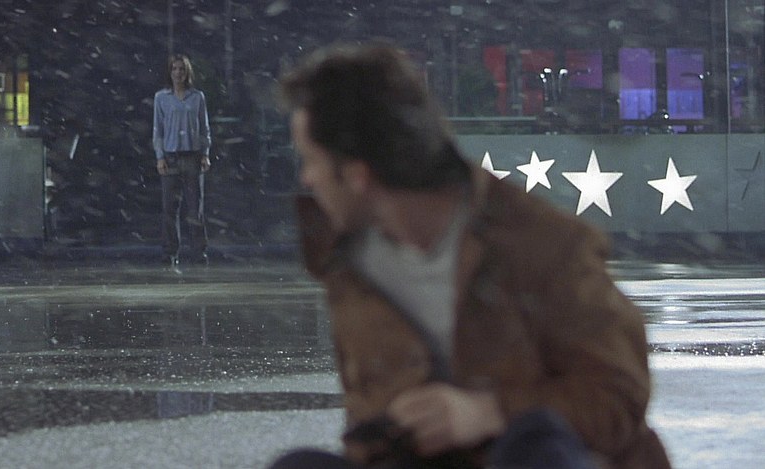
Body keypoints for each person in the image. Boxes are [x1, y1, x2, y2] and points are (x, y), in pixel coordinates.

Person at [271, 43, 671, 469]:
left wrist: (488, 413)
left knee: (538, 444)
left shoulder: (540, 241)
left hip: (538, 458)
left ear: (357, 175)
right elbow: (367, 416)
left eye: (311, 160)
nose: (307, 178)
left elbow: (618, 395)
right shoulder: (349, 261)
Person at [153, 53, 212, 267]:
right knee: (169, 208)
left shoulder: (197, 97)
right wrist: (160, 156)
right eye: (174, 69)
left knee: (195, 208)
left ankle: (198, 252)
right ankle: (170, 252)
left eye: (181, 69)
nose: (178, 73)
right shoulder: (161, 97)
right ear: (170, 72)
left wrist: (205, 153)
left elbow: (204, 127)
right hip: (170, 157)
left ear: (187, 72)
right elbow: (158, 129)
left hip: (192, 156)